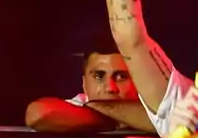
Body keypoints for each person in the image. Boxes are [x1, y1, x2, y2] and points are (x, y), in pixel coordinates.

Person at [25, 40, 153, 132]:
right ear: (84, 84)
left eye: (121, 77)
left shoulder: (156, 104)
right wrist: (113, 119)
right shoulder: (77, 105)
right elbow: (38, 114)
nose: (110, 88)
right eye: (98, 76)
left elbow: (171, 123)